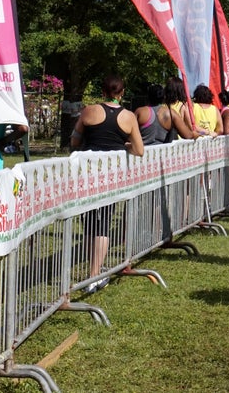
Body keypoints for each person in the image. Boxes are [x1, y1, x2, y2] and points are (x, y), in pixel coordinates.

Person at [70, 74, 144, 293]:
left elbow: (75, 140)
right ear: (122, 93)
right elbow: (139, 150)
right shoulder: (128, 116)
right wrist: (125, 145)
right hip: (112, 174)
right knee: (104, 222)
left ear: (102, 91)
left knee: (89, 221)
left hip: (88, 172)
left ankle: (93, 274)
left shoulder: (88, 111)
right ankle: (95, 274)